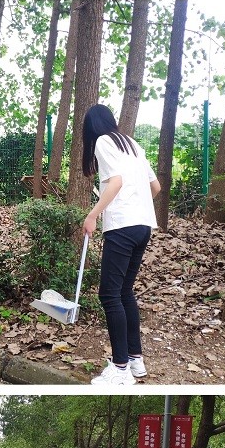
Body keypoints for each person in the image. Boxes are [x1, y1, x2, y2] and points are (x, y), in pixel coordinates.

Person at [81, 104, 161, 386]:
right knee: (125, 292)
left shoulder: (103, 142)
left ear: (91, 127)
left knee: (109, 295)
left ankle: (120, 367)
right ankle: (135, 360)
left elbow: (115, 182)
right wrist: (136, 205)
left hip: (123, 226)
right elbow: (156, 187)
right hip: (142, 226)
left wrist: (92, 215)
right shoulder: (132, 144)